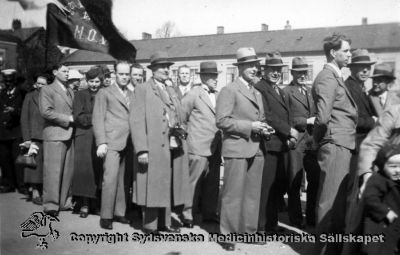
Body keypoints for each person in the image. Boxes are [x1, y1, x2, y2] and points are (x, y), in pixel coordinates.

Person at [216, 47, 272, 251]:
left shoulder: (256, 91)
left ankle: (248, 232)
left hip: (257, 148)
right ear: (239, 67)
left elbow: (260, 118)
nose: (253, 69)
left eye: (255, 65)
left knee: (252, 194)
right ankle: (227, 234)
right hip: (237, 148)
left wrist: (264, 128)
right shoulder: (229, 90)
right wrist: (250, 127)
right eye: (248, 65)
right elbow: (222, 121)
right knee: (233, 193)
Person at [130, 51, 190, 234]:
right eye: (162, 67)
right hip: (152, 145)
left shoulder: (170, 89)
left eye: (168, 67)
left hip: (170, 145)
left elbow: (177, 114)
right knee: (153, 184)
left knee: (166, 184)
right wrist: (141, 150)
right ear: (153, 69)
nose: (166, 70)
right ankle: (150, 225)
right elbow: (136, 121)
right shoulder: (143, 89)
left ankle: (165, 223)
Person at [311, 33, 357, 255]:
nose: (349, 54)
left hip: (341, 142)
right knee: (330, 203)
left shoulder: (336, 76)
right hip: (335, 143)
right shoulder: (328, 77)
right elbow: (322, 118)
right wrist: (318, 140)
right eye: (346, 50)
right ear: (333, 52)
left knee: (338, 203)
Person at [255, 51, 299, 232]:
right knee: (266, 188)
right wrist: (289, 131)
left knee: (276, 187)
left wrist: (288, 137)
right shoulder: (260, 88)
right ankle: (261, 226)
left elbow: (284, 115)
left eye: (278, 69)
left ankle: (271, 223)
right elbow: (269, 116)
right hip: (269, 145)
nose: (275, 73)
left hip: (280, 145)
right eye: (272, 69)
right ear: (264, 71)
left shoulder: (278, 90)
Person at [180, 61, 222, 227]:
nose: (215, 79)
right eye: (211, 76)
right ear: (203, 77)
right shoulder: (193, 94)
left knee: (212, 182)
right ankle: (187, 214)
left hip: (215, 146)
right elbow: (181, 117)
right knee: (193, 182)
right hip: (197, 146)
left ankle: (209, 213)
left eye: (216, 75)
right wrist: (187, 141)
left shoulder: (218, 95)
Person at [92, 61, 132, 229]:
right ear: (116, 74)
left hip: (129, 142)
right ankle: (106, 216)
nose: (124, 77)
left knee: (123, 179)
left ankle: (119, 212)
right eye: (121, 74)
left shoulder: (132, 93)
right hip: (111, 141)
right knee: (110, 178)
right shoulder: (105, 92)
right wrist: (101, 142)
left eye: (126, 74)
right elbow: (98, 118)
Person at [283, 57, 319, 228]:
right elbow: (287, 118)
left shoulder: (310, 91)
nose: (302, 75)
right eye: (299, 73)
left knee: (314, 180)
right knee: (295, 181)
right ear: (292, 73)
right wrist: (307, 121)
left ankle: (312, 216)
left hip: (311, 142)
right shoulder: (286, 92)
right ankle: (296, 219)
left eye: (305, 72)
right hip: (296, 141)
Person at [39, 63, 75, 217]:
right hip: (54, 135)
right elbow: (46, 112)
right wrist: (68, 118)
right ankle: (51, 205)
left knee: (68, 171)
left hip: (69, 134)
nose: (67, 74)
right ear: (55, 72)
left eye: (68, 71)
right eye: (64, 71)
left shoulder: (70, 90)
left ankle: (64, 202)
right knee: (52, 172)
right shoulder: (47, 89)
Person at [71, 67, 103, 218]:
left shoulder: (104, 94)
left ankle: (95, 203)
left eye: (97, 81)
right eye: (91, 81)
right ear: (87, 81)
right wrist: (97, 117)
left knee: (98, 170)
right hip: (84, 135)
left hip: (100, 136)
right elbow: (79, 116)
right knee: (85, 171)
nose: (94, 85)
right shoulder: (80, 94)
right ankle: (84, 203)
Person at [361, 143, 400, 254]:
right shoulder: (378, 180)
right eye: (393, 167)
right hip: (380, 227)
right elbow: (370, 198)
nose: (397, 170)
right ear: (383, 165)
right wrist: (386, 212)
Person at [20, 73, 49, 205]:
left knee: (45, 165)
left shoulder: (50, 96)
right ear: (35, 84)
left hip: (48, 135)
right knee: (33, 165)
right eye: (39, 83)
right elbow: (24, 119)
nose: (41, 86)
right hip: (34, 136)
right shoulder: (29, 96)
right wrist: (27, 138)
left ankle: (43, 190)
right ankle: (35, 191)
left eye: (43, 84)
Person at [0, 69, 26, 194]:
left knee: (18, 160)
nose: (8, 83)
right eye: (6, 81)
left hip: (17, 131)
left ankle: (21, 185)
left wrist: (14, 111)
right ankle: (8, 184)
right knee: (5, 159)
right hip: (3, 132)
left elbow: (25, 112)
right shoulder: (1, 93)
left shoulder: (22, 93)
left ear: (15, 80)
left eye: (10, 81)